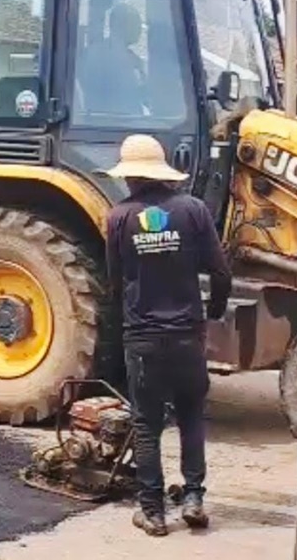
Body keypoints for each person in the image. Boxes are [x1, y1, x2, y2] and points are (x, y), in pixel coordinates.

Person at [104, 134, 232, 537]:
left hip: (142, 337)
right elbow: (221, 272)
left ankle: (153, 512)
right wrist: (210, 312)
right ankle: (193, 498)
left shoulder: (119, 218)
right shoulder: (193, 211)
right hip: (187, 335)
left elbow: (113, 282)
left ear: (131, 177)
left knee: (147, 424)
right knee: (192, 414)